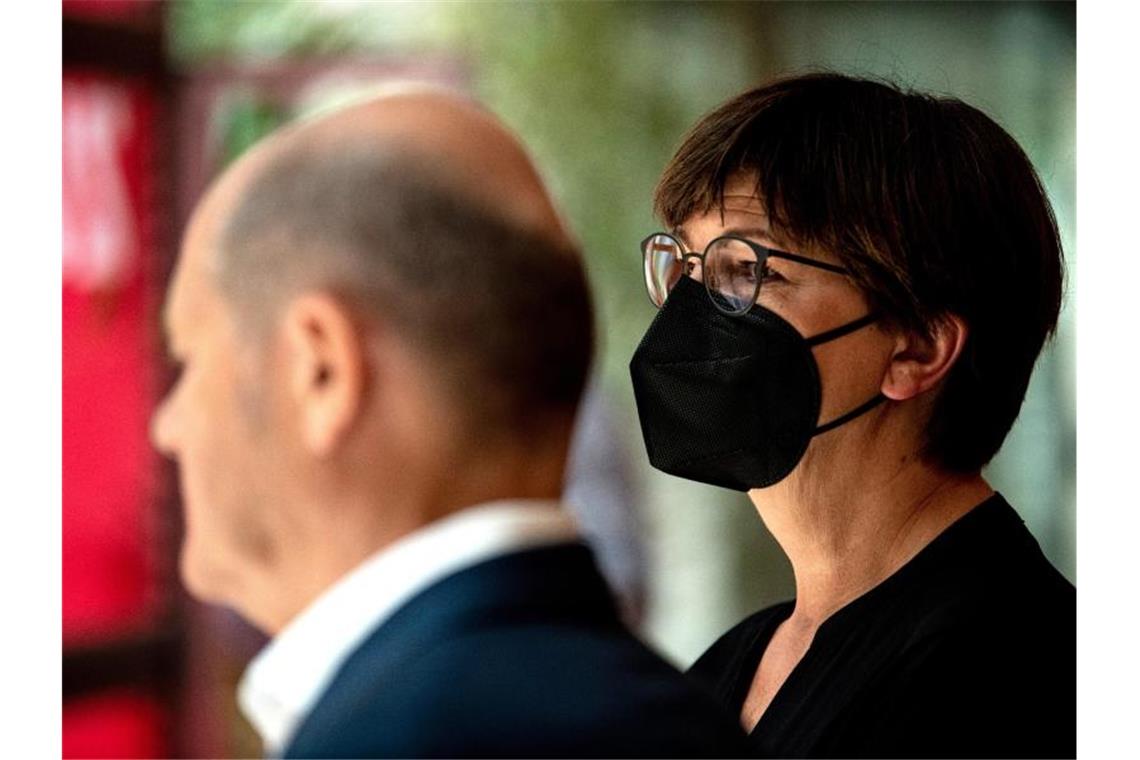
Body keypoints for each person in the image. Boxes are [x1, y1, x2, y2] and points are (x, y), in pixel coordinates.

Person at [151, 88, 745, 758]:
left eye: (191, 357)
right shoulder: (685, 720)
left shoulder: (393, 741)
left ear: (322, 370)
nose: (167, 425)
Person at [629, 73, 1074, 758]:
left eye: (748, 271)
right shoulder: (732, 668)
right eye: (687, 266)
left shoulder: (1021, 671)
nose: (692, 316)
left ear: (917, 347)